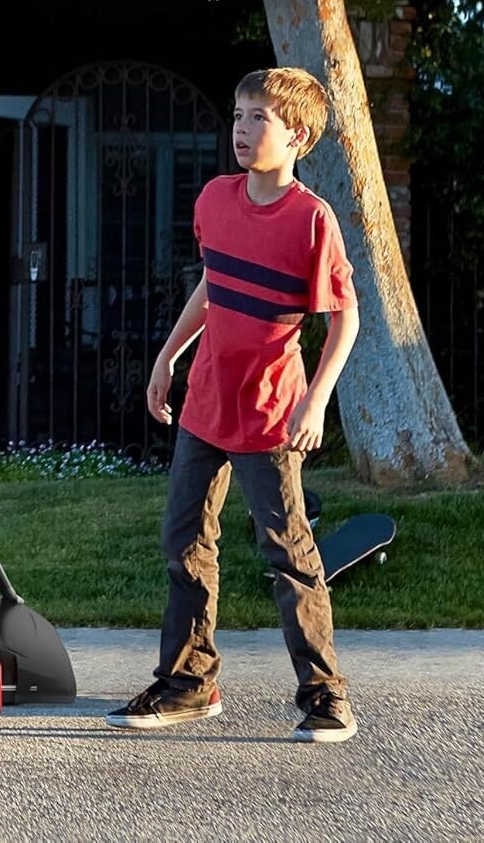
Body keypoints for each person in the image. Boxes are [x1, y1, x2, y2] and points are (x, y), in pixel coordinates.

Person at [106, 67, 361, 744]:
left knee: (288, 551)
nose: (242, 130)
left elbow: (346, 320)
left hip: (271, 413)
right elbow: (213, 288)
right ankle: (190, 684)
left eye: (259, 119)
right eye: (239, 115)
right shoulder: (216, 199)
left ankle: (325, 695)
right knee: (184, 541)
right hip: (206, 405)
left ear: (298, 135)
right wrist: (168, 356)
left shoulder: (311, 219)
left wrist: (315, 400)